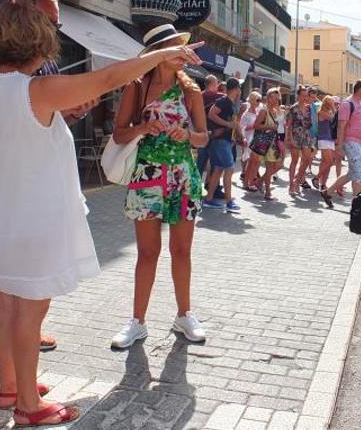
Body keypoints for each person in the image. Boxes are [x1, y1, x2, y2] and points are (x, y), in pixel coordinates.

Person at [0, 0, 201, 426]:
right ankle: (27, 406)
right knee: (28, 311)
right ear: (39, 43)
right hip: (35, 216)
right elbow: (109, 77)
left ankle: (10, 386)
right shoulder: (34, 89)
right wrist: (162, 54)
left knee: (8, 302)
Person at [0, 0, 93, 374]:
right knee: (0, 267)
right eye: (51, 21)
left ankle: (17, 354)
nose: (56, 28)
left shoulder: (39, 66)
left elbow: (36, 113)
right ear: (28, 20)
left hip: (27, 184)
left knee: (17, 278)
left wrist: (65, 112)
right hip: (12, 184)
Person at [109, 24, 210, 350]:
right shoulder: (136, 88)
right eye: (176, 49)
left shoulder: (191, 91)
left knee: (181, 251)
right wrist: (142, 127)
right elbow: (119, 134)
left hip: (183, 178)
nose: (183, 54)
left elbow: (203, 136)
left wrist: (189, 136)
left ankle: (184, 314)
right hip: (147, 177)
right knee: (147, 253)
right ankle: (137, 322)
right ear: (160, 55)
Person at [322, 81, 361, 207]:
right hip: (350, 141)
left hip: (359, 142)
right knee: (358, 174)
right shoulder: (347, 104)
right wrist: (339, 145)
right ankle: (358, 207)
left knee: (352, 173)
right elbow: (341, 126)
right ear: (359, 90)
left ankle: (327, 192)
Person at [204, 78, 244, 213]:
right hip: (220, 140)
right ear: (237, 88)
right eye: (239, 87)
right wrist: (227, 125)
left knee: (219, 169)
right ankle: (228, 202)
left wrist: (241, 137)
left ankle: (208, 199)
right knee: (229, 168)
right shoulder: (224, 101)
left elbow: (235, 123)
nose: (240, 90)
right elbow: (211, 114)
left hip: (225, 140)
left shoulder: (232, 103)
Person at [254, 88, 285, 200]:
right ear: (268, 97)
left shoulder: (275, 111)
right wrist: (270, 127)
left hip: (274, 142)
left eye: (278, 98)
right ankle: (267, 192)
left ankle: (259, 182)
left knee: (277, 166)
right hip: (266, 142)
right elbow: (256, 125)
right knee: (269, 167)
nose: (276, 100)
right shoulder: (264, 110)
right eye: (274, 98)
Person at [287, 86, 316, 196]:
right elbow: (289, 125)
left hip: (307, 135)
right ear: (298, 95)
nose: (305, 98)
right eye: (303, 95)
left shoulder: (309, 107)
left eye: (306, 95)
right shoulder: (293, 108)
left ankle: (297, 181)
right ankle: (291, 185)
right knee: (294, 161)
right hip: (296, 135)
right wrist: (290, 138)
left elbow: (311, 123)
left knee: (307, 159)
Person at [240, 91, 263, 191]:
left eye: (259, 100)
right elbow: (242, 127)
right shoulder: (247, 113)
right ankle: (248, 182)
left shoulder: (258, 111)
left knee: (256, 162)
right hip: (250, 139)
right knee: (252, 162)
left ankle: (250, 181)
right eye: (257, 100)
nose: (259, 102)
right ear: (252, 101)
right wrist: (256, 125)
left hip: (257, 138)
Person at [314, 95, 337, 192]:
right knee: (330, 161)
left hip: (329, 139)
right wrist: (334, 108)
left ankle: (323, 184)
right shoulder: (322, 112)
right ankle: (317, 178)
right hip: (323, 138)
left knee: (325, 162)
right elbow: (332, 117)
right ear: (326, 102)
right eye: (331, 100)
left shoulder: (329, 111)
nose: (333, 102)